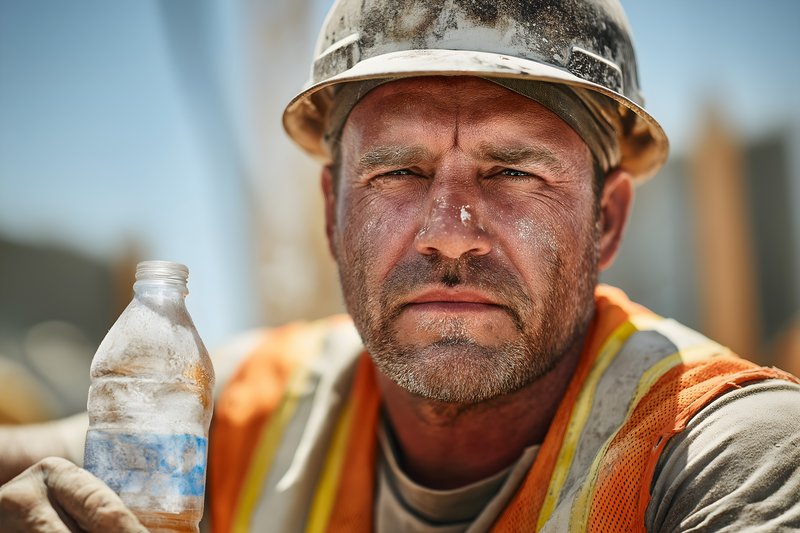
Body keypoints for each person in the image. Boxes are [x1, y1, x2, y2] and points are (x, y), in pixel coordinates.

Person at [1, 0, 799, 531]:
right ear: (330, 211)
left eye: (513, 172)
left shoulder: (728, 452)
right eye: (398, 173)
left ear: (606, 220)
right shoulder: (247, 406)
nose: (451, 235)